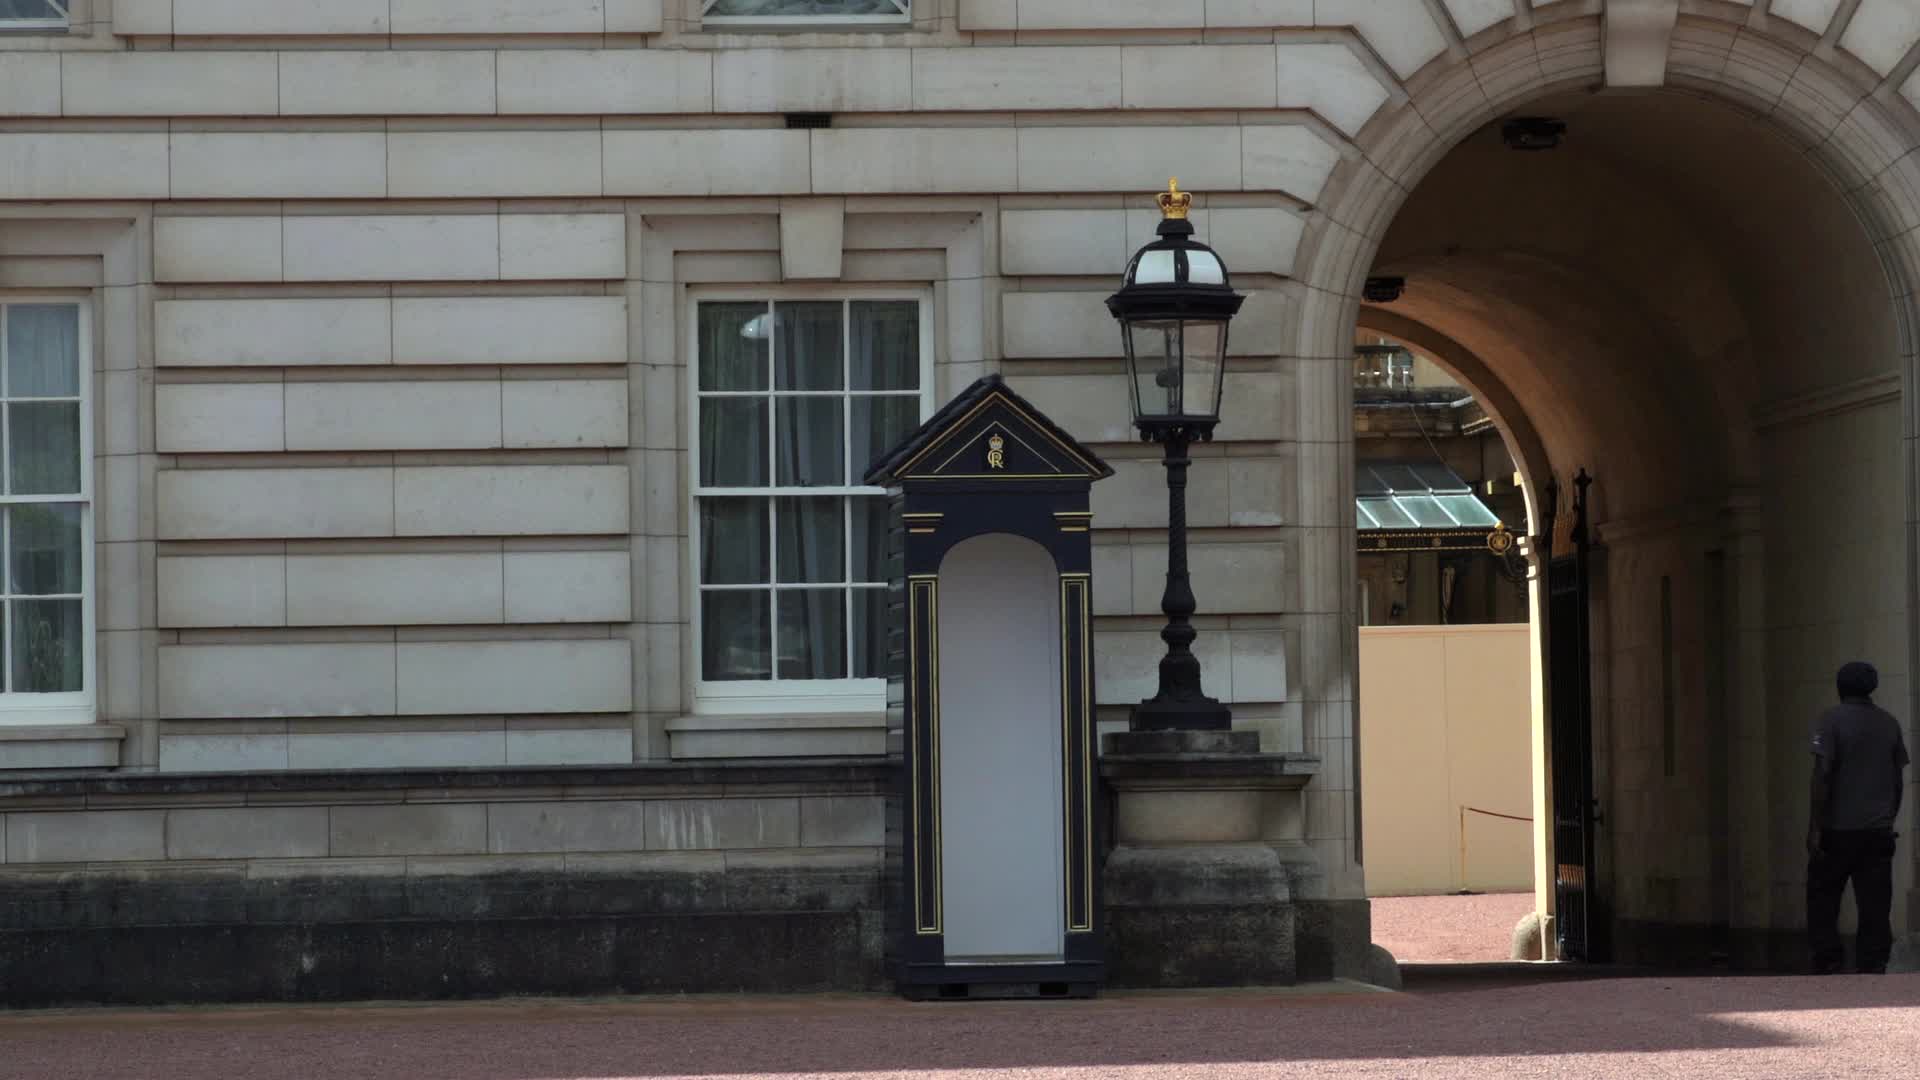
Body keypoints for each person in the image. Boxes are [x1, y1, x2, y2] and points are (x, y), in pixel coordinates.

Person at [1807, 661, 1909, 974]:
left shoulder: (1831, 721)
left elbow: (1822, 775)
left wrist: (1814, 826)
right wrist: (1888, 816)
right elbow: (1897, 779)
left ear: (1840, 688)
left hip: (1838, 829)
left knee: (1823, 898)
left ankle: (1829, 960)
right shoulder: (1889, 723)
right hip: (1877, 831)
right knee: (1875, 904)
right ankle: (1872, 963)